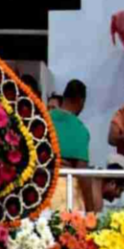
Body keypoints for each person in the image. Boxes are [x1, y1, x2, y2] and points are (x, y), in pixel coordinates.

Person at [49, 79, 94, 211]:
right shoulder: (79, 129)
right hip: (64, 198)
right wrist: (91, 210)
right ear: (80, 101)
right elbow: (82, 172)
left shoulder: (43, 119)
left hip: (38, 190)